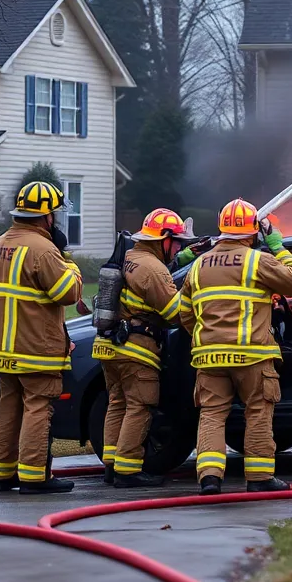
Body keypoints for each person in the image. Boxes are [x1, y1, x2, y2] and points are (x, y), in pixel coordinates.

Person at [179, 199, 292, 495]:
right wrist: (277, 245)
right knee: (258, 412)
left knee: (211, 414)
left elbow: (184, 313)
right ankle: (260, 478)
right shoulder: (256, 261)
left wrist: (205, 334)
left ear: (222, 230)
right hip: (253, 355)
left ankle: (209, 477)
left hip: (209, 357)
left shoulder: (198, 266)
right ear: (253, 233)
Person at [0, 181, 83, 494]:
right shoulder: (44, 250)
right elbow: (68, 292)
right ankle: (34, 477)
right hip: (35, 349)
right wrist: (69, 263)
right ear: (47, 217)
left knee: (8, 405)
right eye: (54, 214)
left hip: (1, 348)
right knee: (38, 407)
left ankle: (0, 474)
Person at [92, 209, 196, 488]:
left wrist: (181, 261)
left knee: (118, 404)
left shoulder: (130, 257)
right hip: (135, 350)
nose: (179, 248)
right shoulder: (152, 267)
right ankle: (128, 470)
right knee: (140, 406)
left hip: (109, 346)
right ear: (163, 238)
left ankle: (112, 467)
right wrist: (193, 290)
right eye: (177, 242)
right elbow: (175, 312)